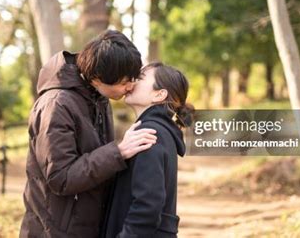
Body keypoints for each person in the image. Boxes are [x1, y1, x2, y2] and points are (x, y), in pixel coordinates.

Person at [20, 30, 158, 238]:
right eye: (123, 83)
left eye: (133, 78)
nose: (130, 87)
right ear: (96, 78)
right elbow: (61, 177)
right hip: (56, 231)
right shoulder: (56, 105)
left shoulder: (98, 96)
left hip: (89, 224)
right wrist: (118, 152)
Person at [103, 62, 194, 238]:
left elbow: (148, 205)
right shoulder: (160, 130)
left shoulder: (150, 133)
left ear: (159, 94)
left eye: (140, 78)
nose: (132, 81)